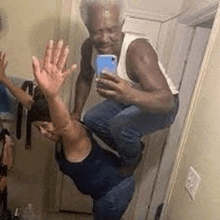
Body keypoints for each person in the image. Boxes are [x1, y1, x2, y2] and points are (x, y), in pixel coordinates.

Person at [0, 40, 134, 219]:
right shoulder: (56, 126)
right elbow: (29, 102)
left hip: (114, 189)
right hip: (105, 185)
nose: (43, 133)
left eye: (46, 126)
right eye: (38, 128)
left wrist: (52, 95)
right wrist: (4, 80)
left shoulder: (73, 136)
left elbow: (63, 124)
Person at [72, 0, 179, 167]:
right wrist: (75, 113)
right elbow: (85, 76)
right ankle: (132, 148)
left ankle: (130, 161)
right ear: (87, 26)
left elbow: (167, 102)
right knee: (91, 119)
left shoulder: (138, 50)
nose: (104, 39)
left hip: (162, 104)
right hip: (127, 99)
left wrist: (129, 94)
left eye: (111, 30)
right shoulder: (88, 47)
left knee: (120, 125)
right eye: (97, 31)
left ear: (122, 23)